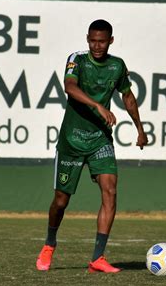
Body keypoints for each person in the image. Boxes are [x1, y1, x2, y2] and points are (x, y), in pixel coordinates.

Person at [36, 19, 148, 273]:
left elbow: (128, 97)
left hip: (100, 139)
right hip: (72, 141)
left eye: (102, 41)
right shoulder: (77, 59)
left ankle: (98, 258)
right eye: (93, 40)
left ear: (110, 41)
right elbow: (69, 87)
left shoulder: (117, 66)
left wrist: (140, 128)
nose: (97, 46)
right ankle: (50, 243)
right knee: (61, 202)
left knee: (110, 191)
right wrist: (97, 105)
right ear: (87, 39)